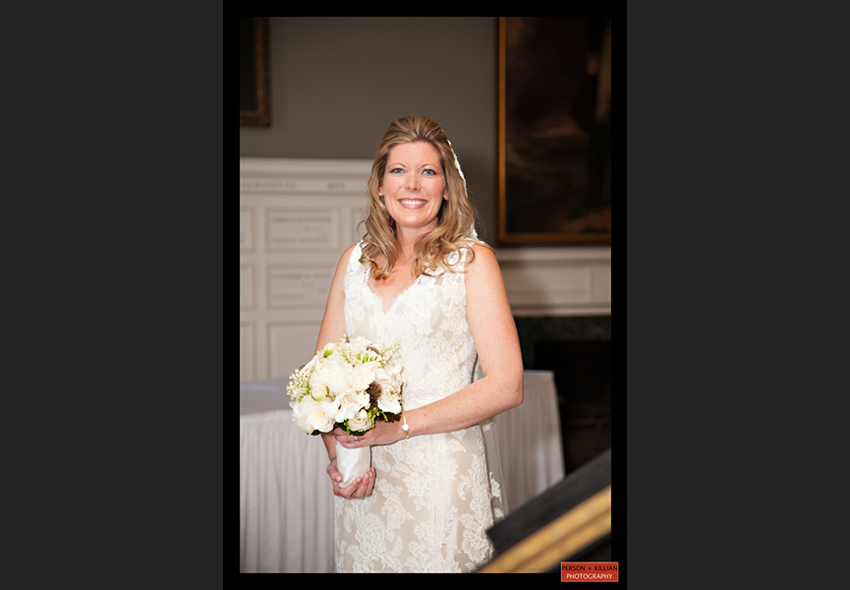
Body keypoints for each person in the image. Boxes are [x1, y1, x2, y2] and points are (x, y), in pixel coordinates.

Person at [314, 115, 524, 573]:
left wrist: (400, 426)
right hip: (365, 476)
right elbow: (323, 380)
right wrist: (340, 458)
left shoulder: (472, 262)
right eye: (398, 170)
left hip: (441, 477)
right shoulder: (352, 263)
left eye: (428, 171)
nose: (413, 184)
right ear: (381, 184)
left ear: (447, 186)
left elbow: (507, 385)